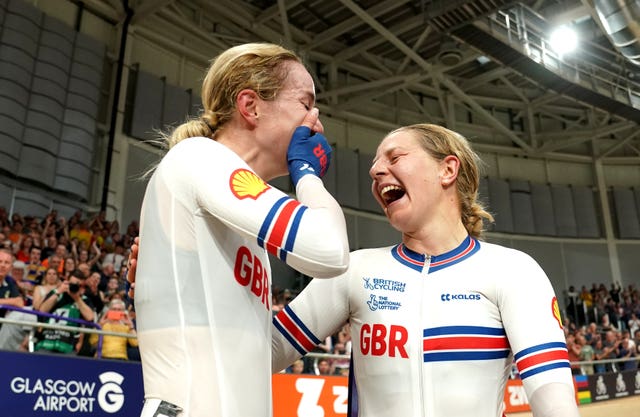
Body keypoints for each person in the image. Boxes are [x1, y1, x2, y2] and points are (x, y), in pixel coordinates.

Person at [271, 124, 580, 417]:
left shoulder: (513, 271)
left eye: (394, 157)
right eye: (376, 165)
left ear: (447, 170)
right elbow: (266, 352)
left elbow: (552, 396)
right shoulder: (354, 270)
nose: (375, 171)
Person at [133, 42, 349, 417]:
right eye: (305, 103)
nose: (317, 122)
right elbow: (328, 249)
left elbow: (258, 351)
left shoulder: (246, 227)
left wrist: (349, 288)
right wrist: (307, 175)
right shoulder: (199, 157)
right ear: (251, 106)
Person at [34, 269, 96, 354]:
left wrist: (77, 298)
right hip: (47, 341)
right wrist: (59, 291)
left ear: (82, 286)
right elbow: (42, 310)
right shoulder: (56, 293)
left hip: (68, 345)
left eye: (78, 285)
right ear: (67, 282)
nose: (74, 287)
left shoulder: (84, 300)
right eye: (72, 284)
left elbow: (90, 317)